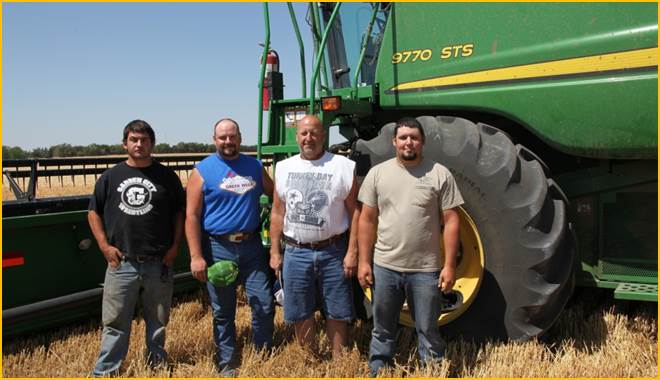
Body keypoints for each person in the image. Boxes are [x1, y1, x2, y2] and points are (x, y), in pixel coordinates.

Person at [357, 117, 464, 376]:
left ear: (422, 142)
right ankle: (379, 370)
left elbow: (451, 221)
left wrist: (449, 266)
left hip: (425, 270)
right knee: (382, 329)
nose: (408, 142)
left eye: (414, 138)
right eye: (403, 137)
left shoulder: (439, 174)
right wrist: (363, 261)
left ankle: (433, 371)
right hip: (385, 267)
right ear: (394, 141)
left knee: (428, 329)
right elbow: (367, 219)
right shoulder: (378, 174)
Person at [89, 119, 185, 377]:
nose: (139, 144)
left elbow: (179, 214)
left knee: (158, 320)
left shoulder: (167, 177)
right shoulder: (110, 177)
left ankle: (157, 364)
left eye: (144, 140)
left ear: (152, 143)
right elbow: (93, 212)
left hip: (159, 262)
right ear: (125, 143)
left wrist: (175, 246)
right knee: (115, 322)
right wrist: (104, 246)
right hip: (122, 263)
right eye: (134, 139)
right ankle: (106, 370)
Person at [185, 118, 274, 376]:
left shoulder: (255, 167)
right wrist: (196, 256)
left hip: (252, 246)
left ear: (240, 138)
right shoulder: (202, 170)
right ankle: (227, 361)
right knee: (224, 311)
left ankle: (264, 353)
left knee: (264, 304)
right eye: (222, 137)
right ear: (215, 140)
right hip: (218, 248)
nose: (228, 142)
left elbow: (277, 195)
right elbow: (191, 215)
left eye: (232, 136)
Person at [269, 114, 360, 357]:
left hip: (333, 250)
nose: (309, 138)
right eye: (304, 133)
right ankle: (310, 359)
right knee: (300, 310)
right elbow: (278, 212)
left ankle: (339, 362)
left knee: (337, 310)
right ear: (297, 137)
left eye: (314, 133)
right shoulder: (284, 168)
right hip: (295, 251)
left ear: (323, 136)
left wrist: (352, 251)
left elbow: (355, 212)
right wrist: (275, 251)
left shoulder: (343, 166)